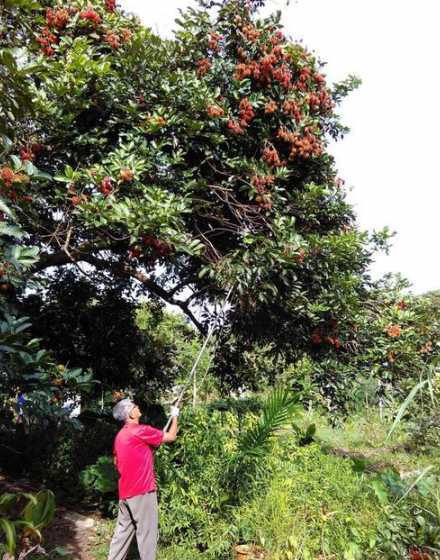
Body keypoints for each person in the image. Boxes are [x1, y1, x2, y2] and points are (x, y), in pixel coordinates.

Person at [108, 398, 179, 560]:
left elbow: (116, 461)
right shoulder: (140, 430)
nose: (138, 407)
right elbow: (172, 436)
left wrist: (144, 452)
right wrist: (175, 415)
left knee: (122, 534)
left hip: (125, 493)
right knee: (147, 535)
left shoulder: (120, 435)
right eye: (134, 406)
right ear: (130, 414)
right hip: (142, 492)